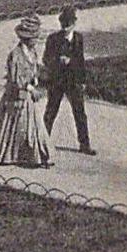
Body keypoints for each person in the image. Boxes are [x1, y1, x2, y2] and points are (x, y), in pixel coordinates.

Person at [0, 15, 53, 168]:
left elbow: (33, 70)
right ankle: (11, 155)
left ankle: (38, 155)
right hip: (16, 95)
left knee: (34, 126)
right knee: (16, 125)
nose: (36, 41)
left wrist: (36, 82)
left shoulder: (33, 52)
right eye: (34, 38)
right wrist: (31, 89)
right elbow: (16, 80)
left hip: (28, 94)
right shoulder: (15, 55)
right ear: (26, 39)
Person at [42, 8, 95, 155]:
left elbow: (81, 61)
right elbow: (45, 59)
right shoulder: (53, 39)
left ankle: (84, 144)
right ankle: (42, 141)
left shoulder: (78, 39)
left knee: (80, 113)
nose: (65, 28)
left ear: (74, 24)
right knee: (51, 111)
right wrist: (57, 61)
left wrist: (82, 80)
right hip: (57, 81)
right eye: (63, 24)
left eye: (68, 25)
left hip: (73, 82)